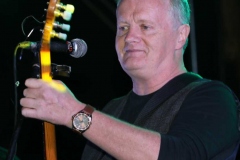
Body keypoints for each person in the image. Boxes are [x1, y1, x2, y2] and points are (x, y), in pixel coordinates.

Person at [20, 0, 240, 159]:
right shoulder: (111, 110)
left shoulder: (213, 97)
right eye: (123, 28)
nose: (130, 38)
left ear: (181, 35)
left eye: (145, 26)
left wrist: (75, 114)